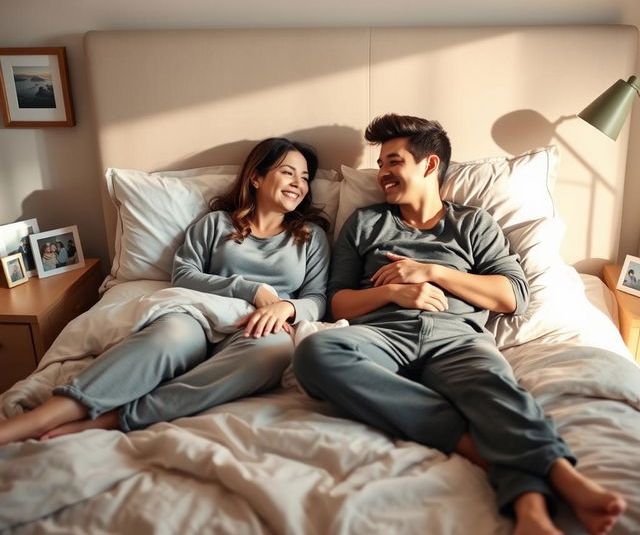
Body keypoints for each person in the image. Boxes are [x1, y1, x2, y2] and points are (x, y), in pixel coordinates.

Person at [293, 115, 626, 535]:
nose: (382, 174)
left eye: (392, 162)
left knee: (495, 391)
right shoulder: (365, 223)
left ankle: (538, 507)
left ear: (429, 165)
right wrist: (393, 294)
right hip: (382, 335)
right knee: (314, 352)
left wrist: (432, 272)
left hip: (456, 339)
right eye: (379, 165)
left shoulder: (474, 224)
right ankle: (473, 446)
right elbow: (336, 301)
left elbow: (513, 296)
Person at [0, 137, 330, 445]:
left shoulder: (310, 236)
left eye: (304, 177)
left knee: (274, 353)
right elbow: (183, 274)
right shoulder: (216, 224)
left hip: (261, 326)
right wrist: (251, 289)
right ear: (256, 178)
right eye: (288, 173)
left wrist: (285, 308)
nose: (298, 184)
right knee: (168, 337)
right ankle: (42, 418)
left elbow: (317, 298)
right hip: (202, 315)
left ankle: (117, 418)